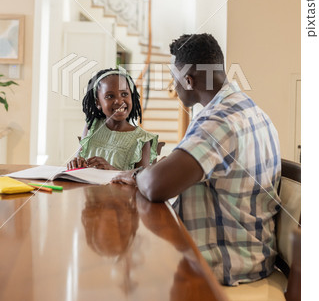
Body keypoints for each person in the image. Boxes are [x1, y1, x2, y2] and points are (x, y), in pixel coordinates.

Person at [112, 33, 281, 287]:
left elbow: (156, 186)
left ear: (189, 81)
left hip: (227, 265)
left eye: (175, 80)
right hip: (255, 255)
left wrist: (138, 174)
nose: (174, 88)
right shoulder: (253, 111)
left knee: (121, 270)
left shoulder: (219, 121)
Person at [67, 68, 158, 170]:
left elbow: (141, 181)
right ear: (98, 103)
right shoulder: (91, 126)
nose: (119, 101)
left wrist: (111, 170)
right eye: (110, 96)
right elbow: (79, 158)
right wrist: (76, 163)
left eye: (124, 94)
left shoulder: (142, 139)